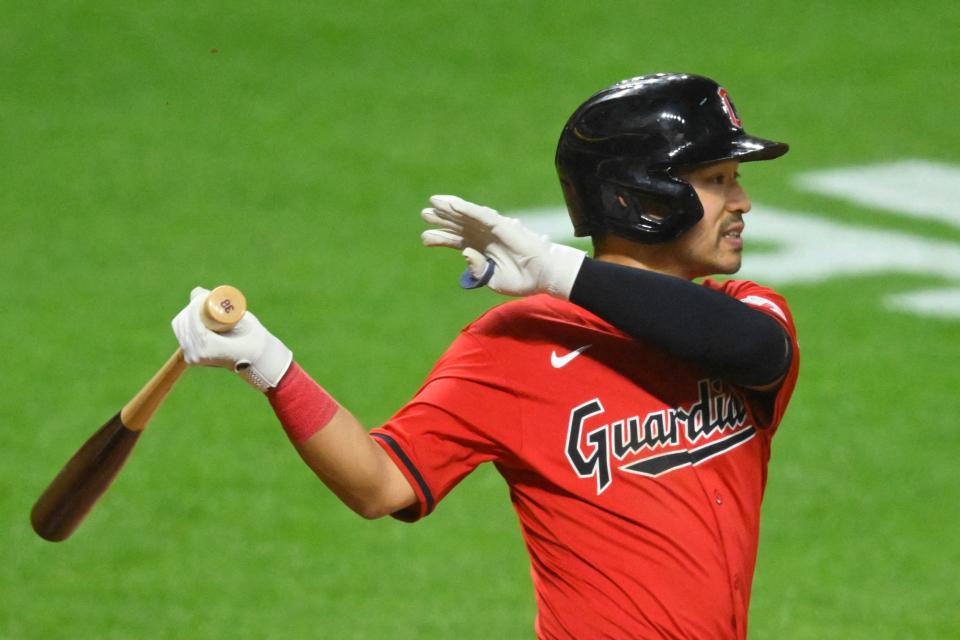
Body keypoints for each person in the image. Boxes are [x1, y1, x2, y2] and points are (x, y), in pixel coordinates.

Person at [172, 72, 800, 639]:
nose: (741, 202)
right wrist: (269, 363)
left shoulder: (746, 312)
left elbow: (750, 348)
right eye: (718, 180)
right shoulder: (516, 347)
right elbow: (381, 483)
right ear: (640, 197)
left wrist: (556, 267)